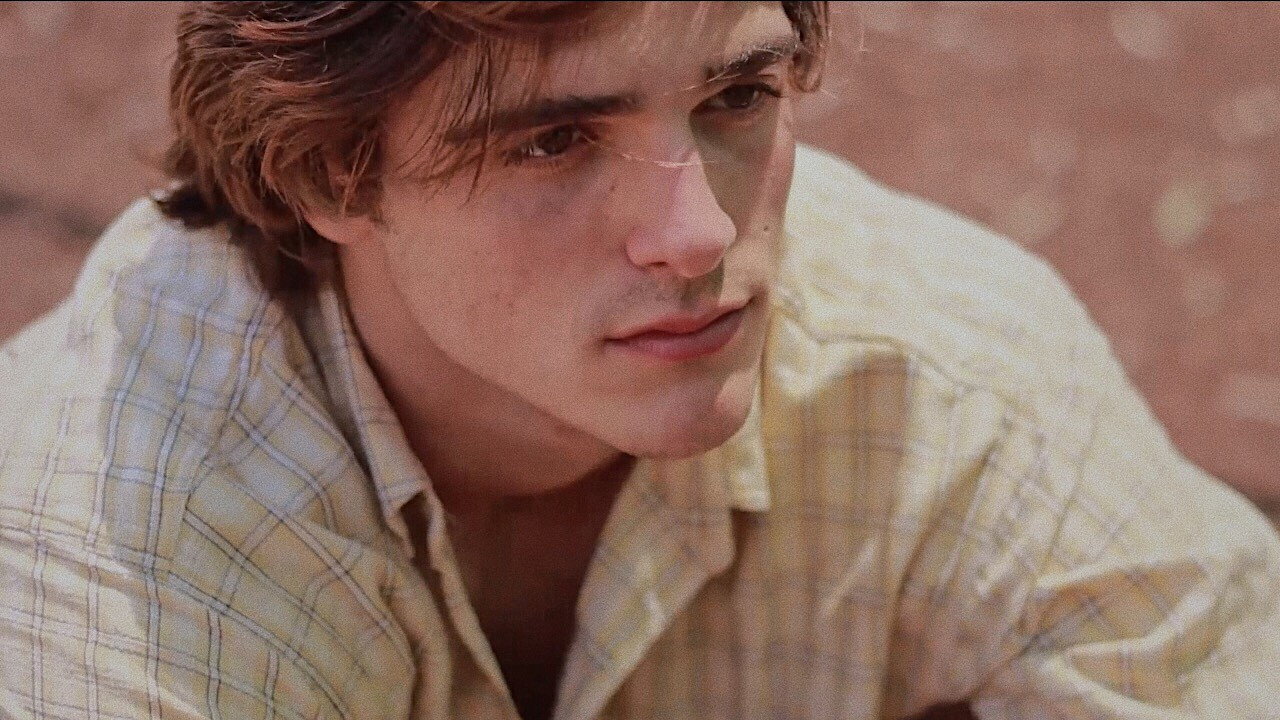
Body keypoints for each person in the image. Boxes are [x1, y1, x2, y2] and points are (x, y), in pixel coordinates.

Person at [1, 2, 1277, 719]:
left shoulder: (943, 367)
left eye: (734, 99)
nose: (699, 234)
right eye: (552, 141)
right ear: (327, 173)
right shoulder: (109, 546)